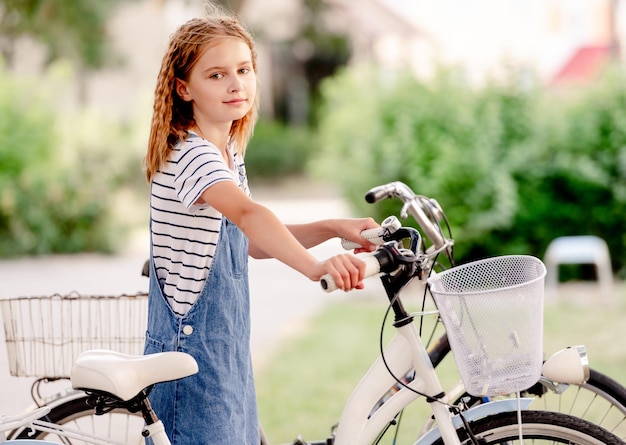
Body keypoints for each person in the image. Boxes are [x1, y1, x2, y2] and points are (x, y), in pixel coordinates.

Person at [142, 7, 379, 445]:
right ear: (183, 88)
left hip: (223, 359)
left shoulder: (227, 148)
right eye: (216, 75)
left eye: (244, 69)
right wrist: (316, 268)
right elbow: (251, 217)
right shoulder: (191, 154)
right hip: (189, 365)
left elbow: (250, 239)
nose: (235, 84)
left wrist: (332, 226)